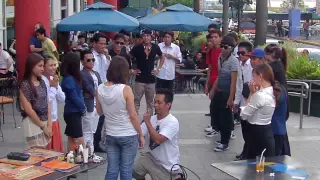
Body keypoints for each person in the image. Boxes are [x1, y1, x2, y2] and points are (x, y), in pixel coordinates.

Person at [96, 56, 144, 180]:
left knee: (111, 169)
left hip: (111, 134)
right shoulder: (125, 89)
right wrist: (141, 134)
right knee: (126, 171)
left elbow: (99, 112)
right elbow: (133, 115)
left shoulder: (100, 88)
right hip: (128, 134)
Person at [133, 89, 180, 180]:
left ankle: (175, 177)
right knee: (133, 169)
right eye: (154, 102)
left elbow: (158, 140)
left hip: (166, 166)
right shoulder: (152, 119)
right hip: (150, 157)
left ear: (168, 105)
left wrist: (147, 122)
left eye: (159, 103)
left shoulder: (172, 122)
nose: (155, 105)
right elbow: (139, 133)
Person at [240, 63, 279, 159]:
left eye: (254, 76)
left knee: (255, 168)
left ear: (260, 76)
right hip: (267, 132)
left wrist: (251, 93)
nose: (252, 79)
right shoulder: (272, 92)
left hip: (256, 135)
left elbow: (244, 115)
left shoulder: (260, 95)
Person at [209, 36, 238, 152]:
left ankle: (225, 142)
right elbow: (219, 76)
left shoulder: (234, 62)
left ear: (230, 49)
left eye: (225, 47)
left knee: (225, 118)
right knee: (215, 113)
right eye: (221, 46)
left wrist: (231, 98)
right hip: (219, 91)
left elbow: (234, 82)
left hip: (227, 92)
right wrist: (212, 90)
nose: (222, 49)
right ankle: (222, 137)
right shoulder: (220, 58)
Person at [19, 53, 52, 148]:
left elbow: (48, 103)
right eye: (39, 66)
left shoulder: (41, 82)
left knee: (44, 153)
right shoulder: (25, 85)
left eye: (43, 66)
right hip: (33, 123)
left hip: (45, 121)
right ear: (31, 66)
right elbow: (29, 110)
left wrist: (49, 124)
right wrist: (43, 126)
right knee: (36, 154)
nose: (42, 69)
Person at [130, 29, 165, 114]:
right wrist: (132, 70)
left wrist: (158, 70)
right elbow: (128, 57)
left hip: (151, 79)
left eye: (148, 36)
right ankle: (135, 120)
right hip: (139, 79)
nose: (146, 38)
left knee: (150, 103)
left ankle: (149, 120)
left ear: (151, 37)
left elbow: (162, 57)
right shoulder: (137, 48)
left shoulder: (155, 47)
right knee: (136, 101)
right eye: (144, 36)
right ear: (142, 37)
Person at [61, 52, 86, 151]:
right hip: (73, 111)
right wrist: (83, 108)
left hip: (72, 111)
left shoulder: (70, 78)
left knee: (71, 137)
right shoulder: (69, 79)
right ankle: (85, 156)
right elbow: (74, 97)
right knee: (79, 137)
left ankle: (71, 156)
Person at [233, 41, 253, 160]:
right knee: (245, 129)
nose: (240, 56)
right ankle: (246, 151)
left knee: (250, 130)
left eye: (242, 53)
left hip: (251, 101)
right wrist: (236, 102)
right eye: (238, 53)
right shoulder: (239, 65)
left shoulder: (252, 65)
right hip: (243, 102)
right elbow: (239, 85)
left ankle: (248, 152)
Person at [80, 50, 102, 156]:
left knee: (93, 130)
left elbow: (101, 88)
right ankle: (87, 154)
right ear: (82, 62)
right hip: (88, 105)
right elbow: (89, 89)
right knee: (87, 131)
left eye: (93, 59)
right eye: (88, 60)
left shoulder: (96, 73)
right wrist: (96, 93)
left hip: (96, 105)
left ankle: (90, 153)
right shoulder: (82, 74)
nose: (91, 62)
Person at [42, 56, 65, 151]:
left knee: (55, 149)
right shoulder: (41, 81)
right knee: (47, 150)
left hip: (54, 118)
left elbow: (62, 98)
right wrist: (53, 88)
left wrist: (56, 86)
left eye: (54, 65)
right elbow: (45, 101)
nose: (54, 67)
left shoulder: (53, 79)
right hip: (45, 119)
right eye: (50, 65)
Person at [204, 30, 222, 136]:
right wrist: (207, 84)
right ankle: (215, 126)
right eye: (212, 38)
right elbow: (210, 68)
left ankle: (226, 129)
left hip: (220, 82)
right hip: (212, 81)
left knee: (220, 107)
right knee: (213, 106)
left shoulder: (222, 51)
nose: (214, 39)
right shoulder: (210, 51)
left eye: (216, 37)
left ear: (220, 38)